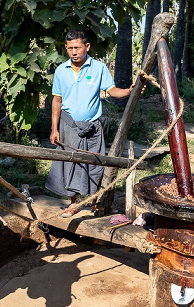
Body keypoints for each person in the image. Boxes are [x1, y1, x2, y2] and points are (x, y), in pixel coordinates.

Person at [45, 30, 134, 217]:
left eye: (77, 47)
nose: (73, 52)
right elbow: (57, 101)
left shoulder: (99, 68)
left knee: (95, 165)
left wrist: (128, 91)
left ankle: (95, 203)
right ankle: (73, 204)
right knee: (70, 164)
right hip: (68, 125)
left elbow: (113, 91)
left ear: (87, 47)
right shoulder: (62, 70)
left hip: (93, 126)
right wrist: (54, 129)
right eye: (69, 48)